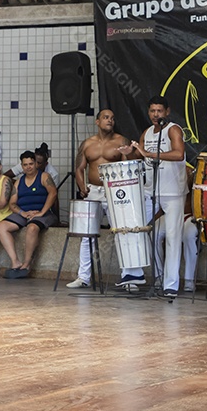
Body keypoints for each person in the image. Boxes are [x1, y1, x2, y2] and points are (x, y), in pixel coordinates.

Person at [66, 109, 143, 289]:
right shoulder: (87, 144)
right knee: (87, 235)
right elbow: (79, 168)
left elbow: (129, 165)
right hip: (93, 191)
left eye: (113, 118)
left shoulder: (121, 141)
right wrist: (81, 187)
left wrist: (129, 152)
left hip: (115, 192)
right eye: (106, 117)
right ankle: (83, 277)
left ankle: (129, 277)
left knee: (122, 232)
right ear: (97, 121)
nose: (110, 120)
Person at [121, 96, 186, 297]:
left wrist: (150, 154)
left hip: (173, 192)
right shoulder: (147, 132)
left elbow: (179, 154)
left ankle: (170, 285)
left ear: (167, 111)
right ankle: (134, 274)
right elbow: (140, 155)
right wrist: (128, 153)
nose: (156, 114)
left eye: (159, 111)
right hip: (150, 190)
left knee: (173, 238)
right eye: (152, 111)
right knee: (133, 226)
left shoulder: (173, 129)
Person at [0, 151, 58, 277]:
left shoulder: (44, 176)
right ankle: (15, 262)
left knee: (32, 228)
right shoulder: (19, 182)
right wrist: (22, 213)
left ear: (36, 164)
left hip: (43, 213)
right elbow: (12, 203)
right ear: (22, 166)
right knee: (1, 226)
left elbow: (53, 193)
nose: (28, 167)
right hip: (24, 213)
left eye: (31, 163)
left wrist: (42, 212)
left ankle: (26, 264)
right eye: (25, 165)